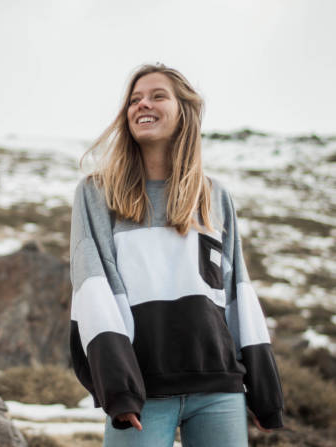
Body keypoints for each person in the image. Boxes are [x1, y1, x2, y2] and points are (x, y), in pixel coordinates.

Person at [68, 63, 284, 447]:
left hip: (219, 388)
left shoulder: (214, 196)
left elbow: (238, 293)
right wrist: (119, 388)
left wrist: (265, 393)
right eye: (134, 100)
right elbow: (92, 290)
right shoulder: (96, 194)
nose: (142, 105)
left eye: (156, 96)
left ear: (184, 110)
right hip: (142, 390)